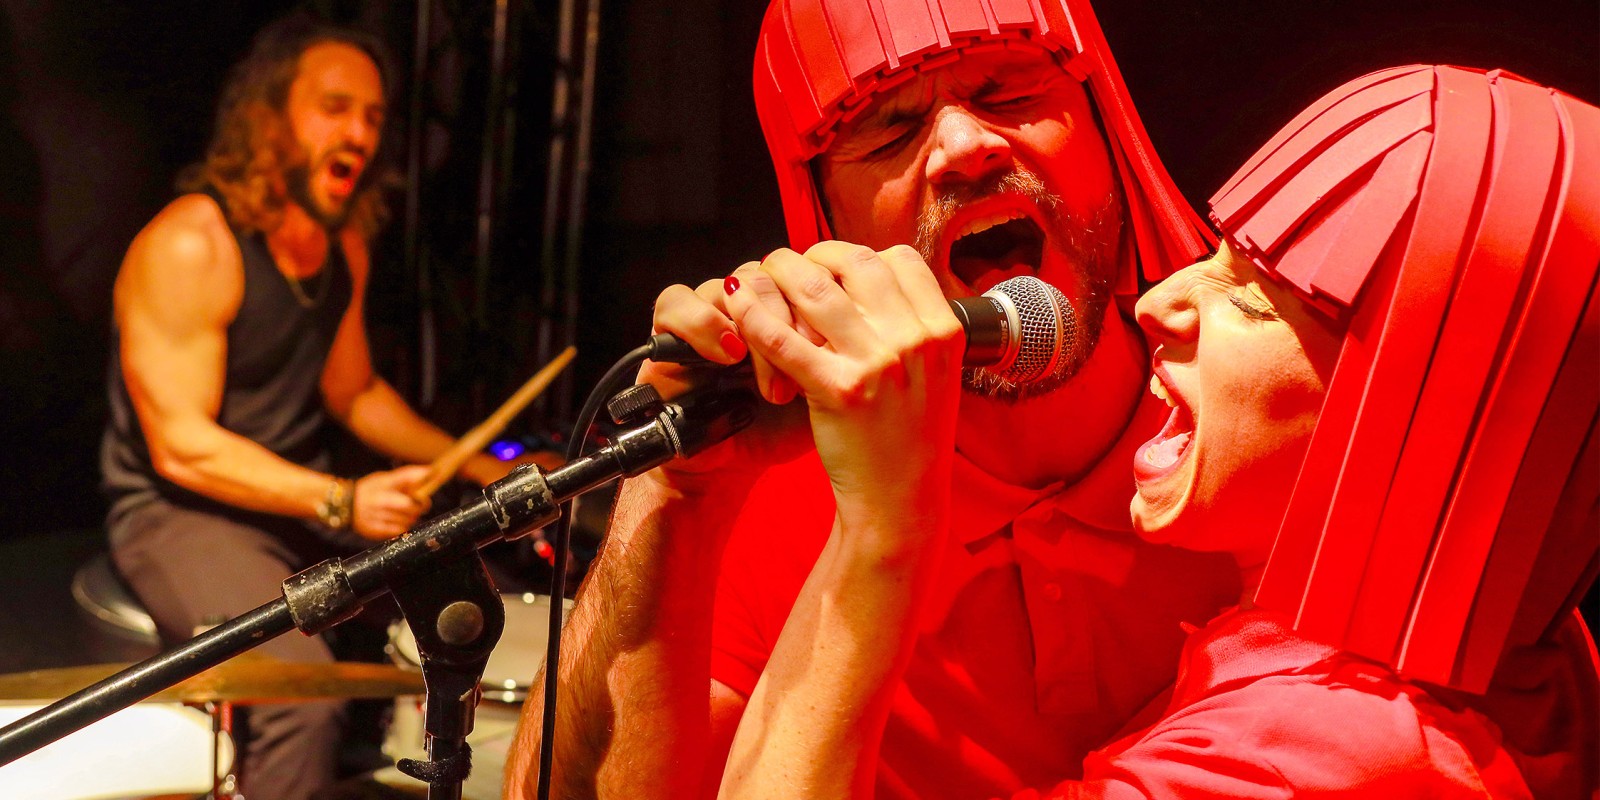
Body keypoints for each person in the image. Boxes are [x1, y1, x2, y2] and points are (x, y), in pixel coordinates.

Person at [714, 65, 1600, 799]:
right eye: (1215, 255)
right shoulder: (1510, 652)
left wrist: (879, 533)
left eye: (1254, 294)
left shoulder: (1321, 754)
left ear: (1413, 406)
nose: (1159, 301)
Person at [508, 1, 1243, 797]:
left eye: (1010, 91)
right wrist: (674, 496)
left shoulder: (1269, 425)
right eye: (890, 134)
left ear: (1107, 130)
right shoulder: (772, 483)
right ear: (829, 223)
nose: (963, 148)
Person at [100, 14, 531, 800]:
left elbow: (353, 391)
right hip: (180, 514)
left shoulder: (343, 249)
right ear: (270, 119)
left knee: (453, 618)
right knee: (298, 697)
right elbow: (182, 445)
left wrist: (486, 466)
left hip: (291, 505)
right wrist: (340, 499)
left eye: (372, 116)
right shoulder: (193, 244)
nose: (360, 134)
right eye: (335, 108)